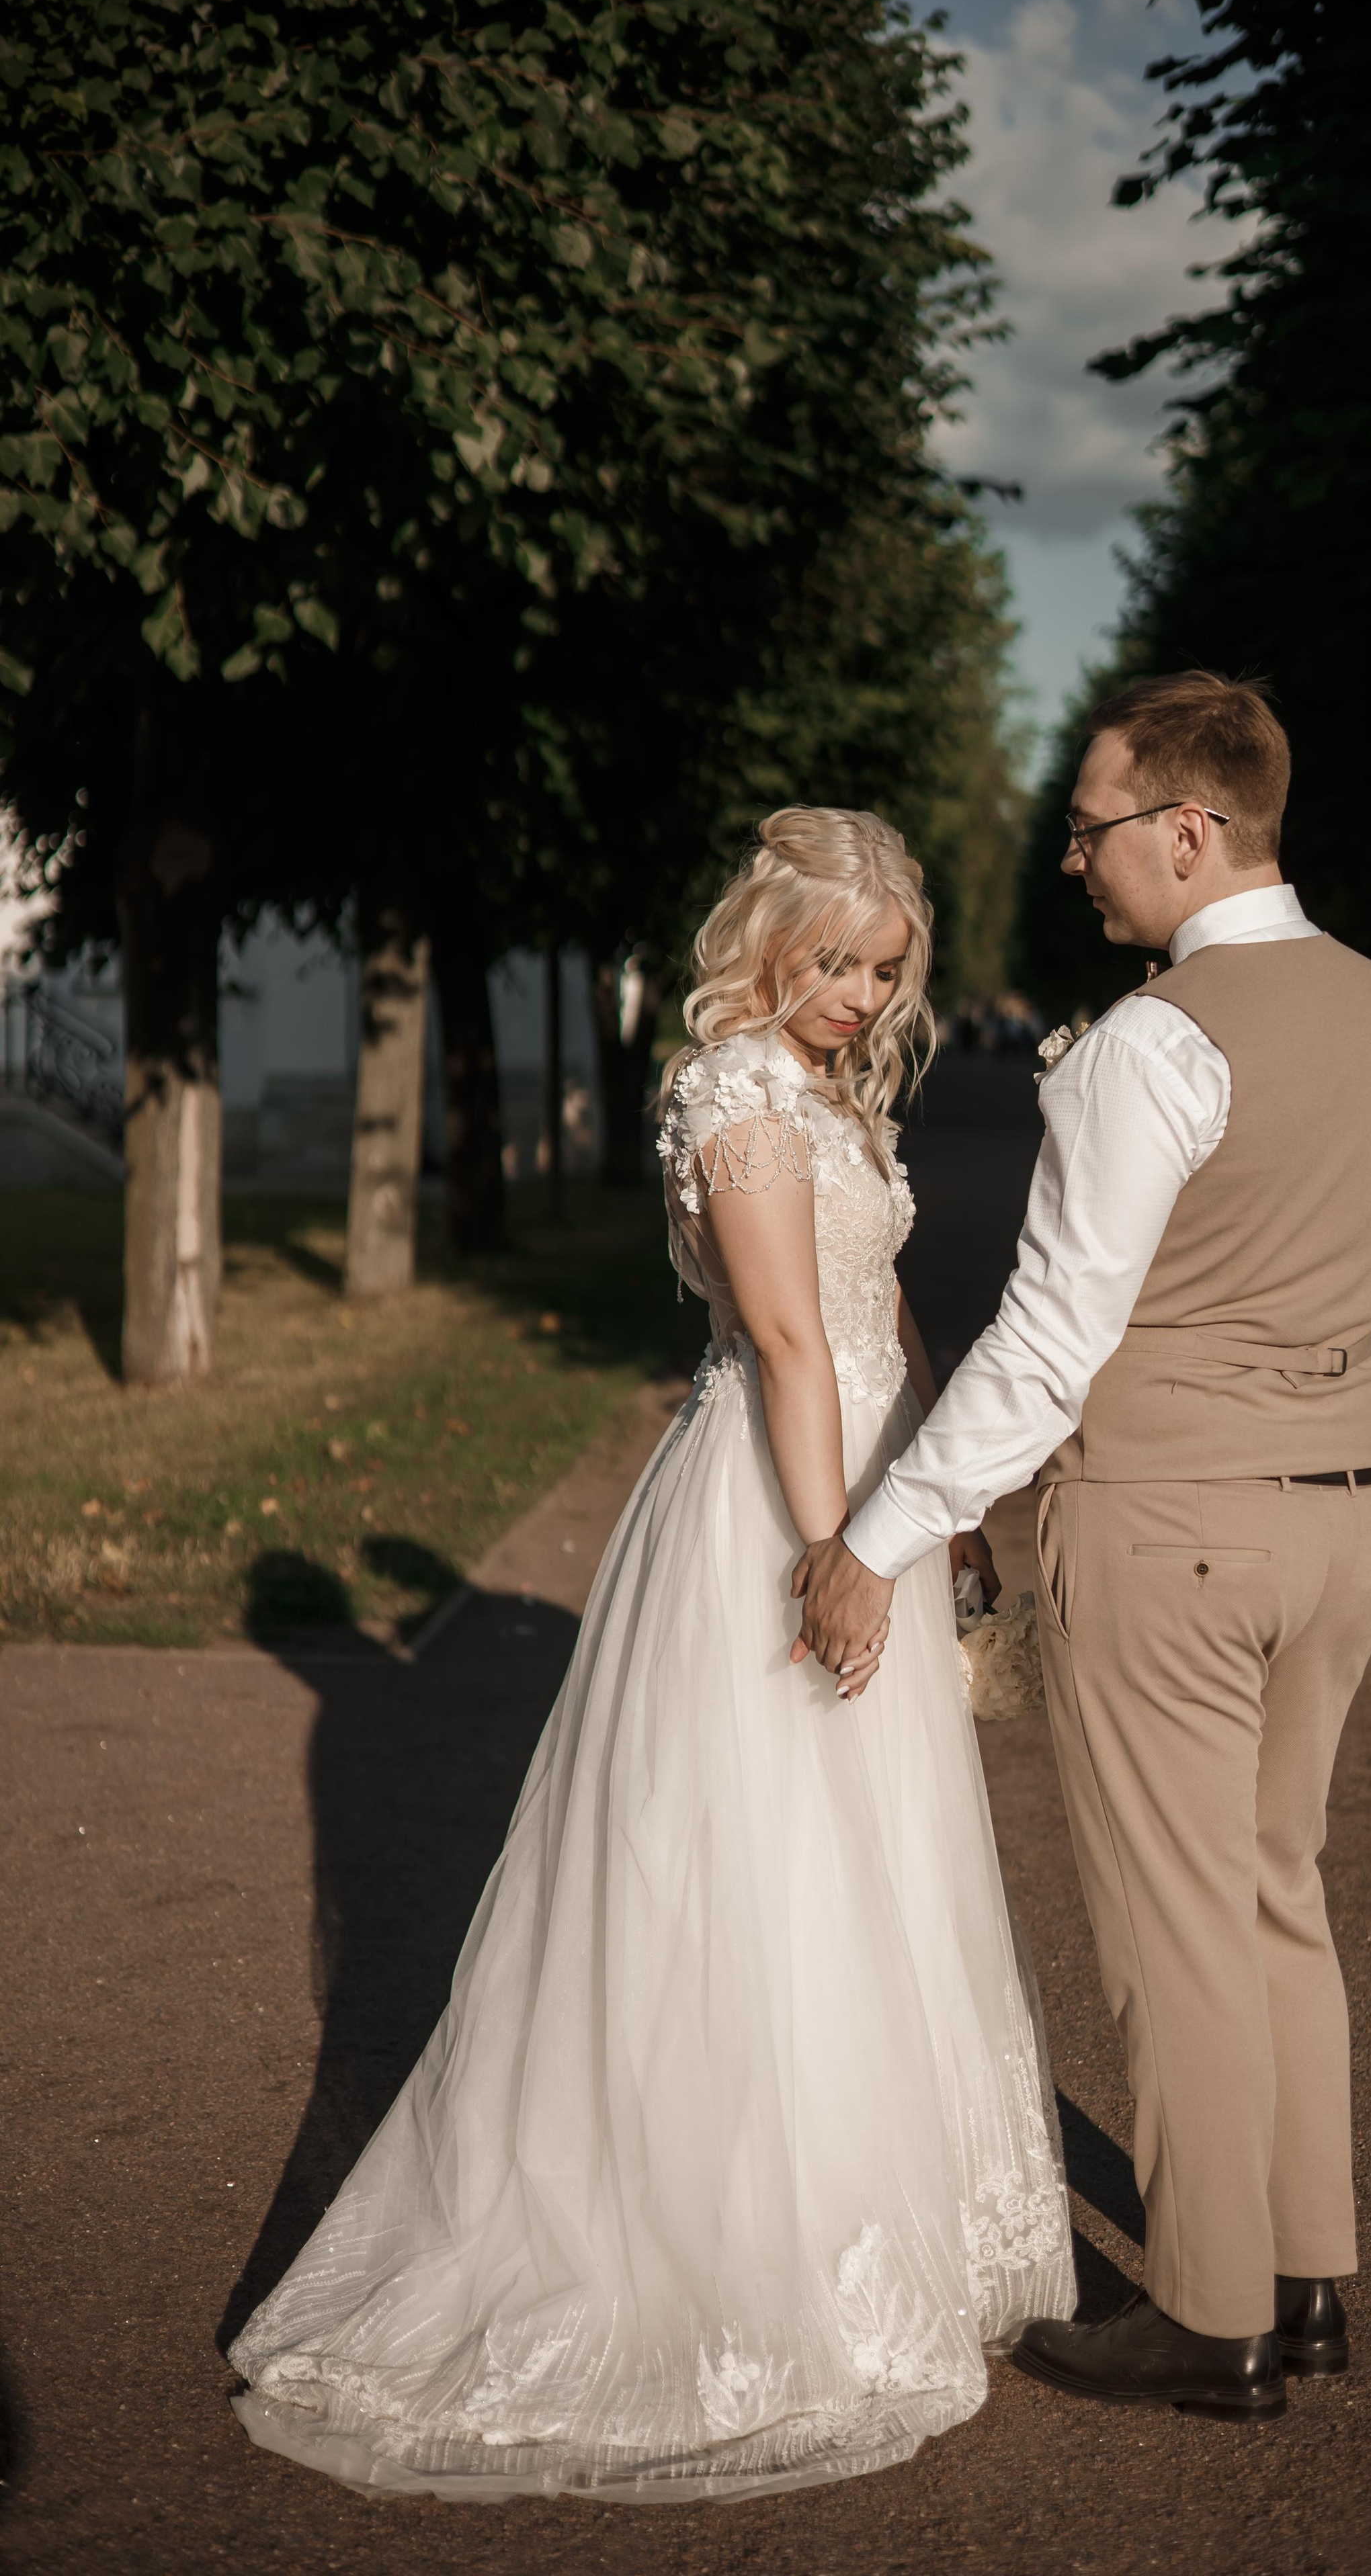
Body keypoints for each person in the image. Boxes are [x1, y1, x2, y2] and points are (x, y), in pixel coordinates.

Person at [226, 806, 1075, 2503]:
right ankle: (733, 2239)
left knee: (879, 1862)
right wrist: (836, 1550)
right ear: (763, 939)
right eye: (830, 961)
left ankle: (884, 2212)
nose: (852, 996)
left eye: (882, 971)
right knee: (752, 1865)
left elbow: (886, 1317)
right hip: (777, 1501)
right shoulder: (734, 1093)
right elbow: (778, 1337)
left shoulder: (836, 1092)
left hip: (874, 1488)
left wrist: (944, 1508)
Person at [796, 673, 1371, 2424]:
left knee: (1174, 1930)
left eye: (1092, 828)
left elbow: (1046, 1347)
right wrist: (1309, 1430)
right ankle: (1312, 2279)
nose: (1075, 860)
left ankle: (1214, 2313)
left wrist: (886, 1532)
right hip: (1342, 1524)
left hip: (1167, 1528)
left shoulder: (1156, 1045)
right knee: (1277, 1898)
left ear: (1190, 828)